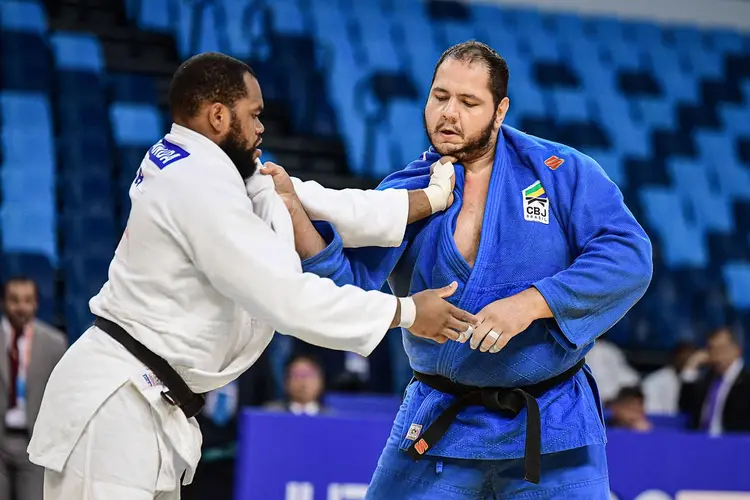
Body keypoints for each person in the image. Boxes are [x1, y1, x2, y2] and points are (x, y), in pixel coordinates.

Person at [27, 52, 477, 500]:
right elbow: (286, 298)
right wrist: (408, 311)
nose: (262, 127)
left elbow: (322, 201)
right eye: (254, 115)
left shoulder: (201, 163)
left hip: (146, 400)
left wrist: (431, 198)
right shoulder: (197, 187)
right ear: (219, 116)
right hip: (117, 406)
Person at [269, 41, 653, 498]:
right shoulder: (410, 191)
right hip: (439, 421)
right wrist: (294, 211)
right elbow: (346, 289)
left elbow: (628, 254)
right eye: (440, 96)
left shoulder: (558, 170)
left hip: (549, 422)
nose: (448, 113)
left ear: (500, 109)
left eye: (469, 102)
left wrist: (532, 303)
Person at [0, 277, 67, 500]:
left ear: (36, 303)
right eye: (14, 300)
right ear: (3, 302)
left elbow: (62, 397)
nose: (21, 307)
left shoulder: (55, 344)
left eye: (27, 300)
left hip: (34, 446)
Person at [679, 327, 750, 435]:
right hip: (701, 444)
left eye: (721, 349)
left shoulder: (746, 382)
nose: (715, 355)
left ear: (737, 350)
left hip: (735, 446)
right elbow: (685, 406)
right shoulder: (707, 379)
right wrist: (691, 367)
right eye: (711, 349)